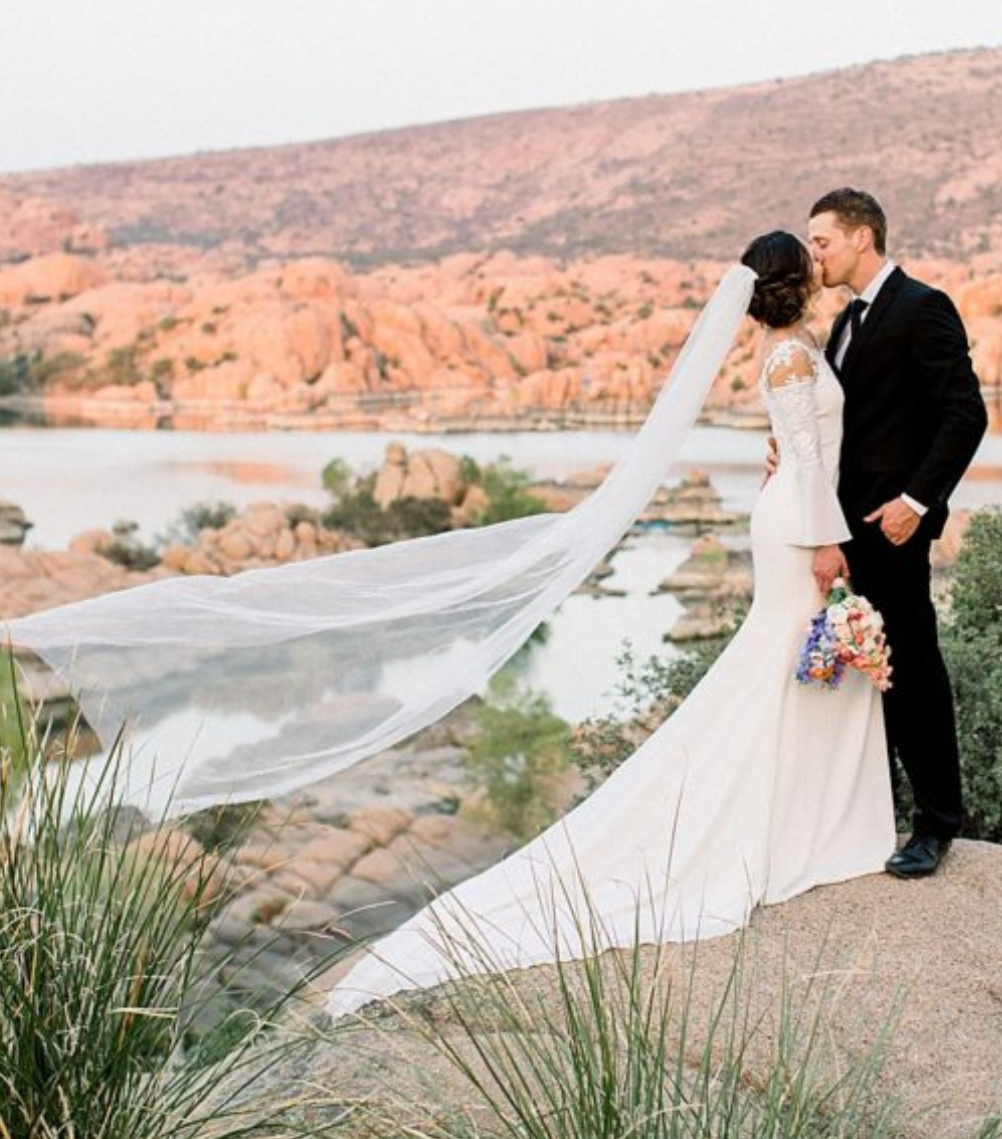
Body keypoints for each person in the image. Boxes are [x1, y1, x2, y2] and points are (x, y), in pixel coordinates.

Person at [324, 231, 895, 1016]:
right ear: (794, 283)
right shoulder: (792, 356)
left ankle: (807, 823)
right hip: (800, 528)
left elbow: (799, 450)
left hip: (795, 513)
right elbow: (803, 454)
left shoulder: (791, 346)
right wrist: (829, 544)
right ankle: (793, 829)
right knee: (785, 673)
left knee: (788, 673)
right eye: (812, 261)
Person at [807, 188, 987, 879]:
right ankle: (870, 816)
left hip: (894, 529)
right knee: (864, 674)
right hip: (846, 534)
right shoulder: (844, 323)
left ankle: (937, 824)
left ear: (861, 237)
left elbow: (965, 414)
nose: (814, 252)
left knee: (913, 670)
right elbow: (846, 430)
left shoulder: (923, 307)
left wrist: (917, 498)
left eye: (822, 239)